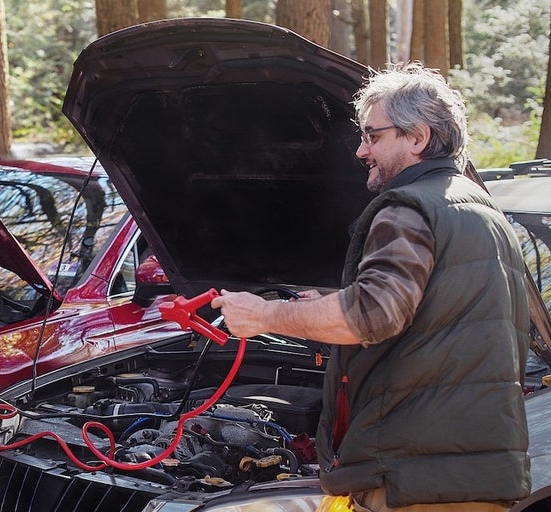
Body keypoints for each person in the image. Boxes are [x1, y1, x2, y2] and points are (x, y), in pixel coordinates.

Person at [210, 62, 531, 511]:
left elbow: (372, 315)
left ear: (417, 137)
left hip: (413, 480)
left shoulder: (409, 207)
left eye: (373, 136)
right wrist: (330, 301)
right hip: (470, 475)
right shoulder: (480, 209)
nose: (361, 150)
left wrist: (263, 315)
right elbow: (433, 311)